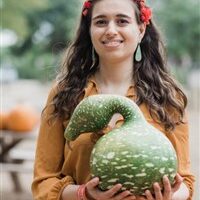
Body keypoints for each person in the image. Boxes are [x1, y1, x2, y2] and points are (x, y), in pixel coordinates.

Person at [32, 0, 195, 199]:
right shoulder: (64, 94)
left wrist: (169, 196)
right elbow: (43, 181)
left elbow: (185, 183)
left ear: (141, 29)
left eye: (122, 21)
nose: (111, 30)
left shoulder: (168, 96)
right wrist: (84, 194)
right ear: (89, 30)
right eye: (101, 22)